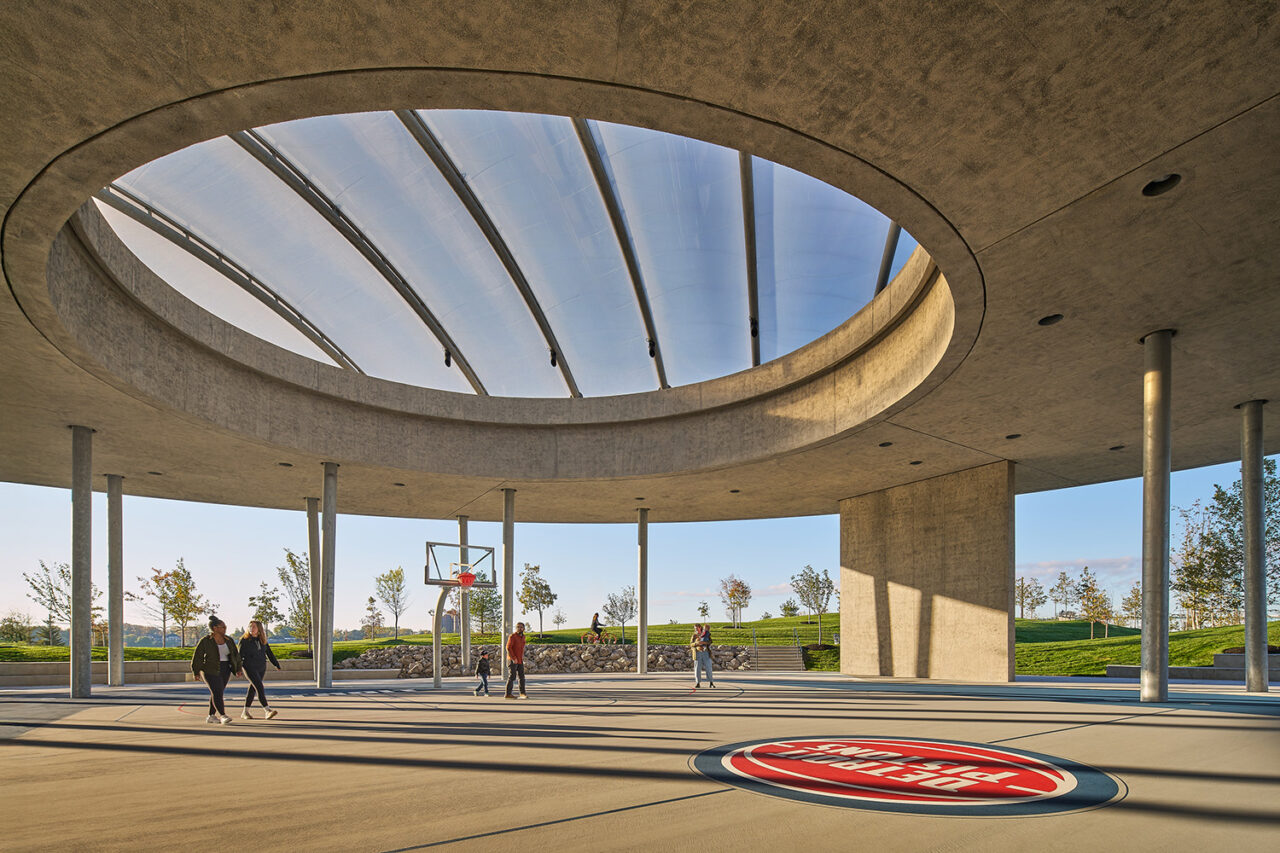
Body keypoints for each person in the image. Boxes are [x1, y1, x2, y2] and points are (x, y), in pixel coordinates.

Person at [191, 616, 243, 724]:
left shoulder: (229, 640)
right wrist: (196, 672)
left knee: (217, 693)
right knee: (217, 691)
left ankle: (211, 716)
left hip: (225, 669)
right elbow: (198, 657)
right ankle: (223, 715)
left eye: (225, 627)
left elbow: (235, 655)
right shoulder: (206, 641)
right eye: (222, 627)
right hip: (210, 669)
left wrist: (238, 668)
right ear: (215, 628)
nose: (225, 628)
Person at [238, 619, 281, 719]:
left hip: (261, 667)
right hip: (249, 667)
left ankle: (245, 712)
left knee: (253, 689)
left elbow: (269, 653)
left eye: (254, 627)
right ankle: (267, 710)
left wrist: (276, 664)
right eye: (250, 626)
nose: (251, 628)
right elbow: (239, 656)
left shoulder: (262, 640)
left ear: (259, 629)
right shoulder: (244, 640)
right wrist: (238, 668)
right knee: (259, 687)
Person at [505, 622, 527, 699]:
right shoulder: (512, 636)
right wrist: (514, 658)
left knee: (522, 677)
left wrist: (521, 658)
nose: (519, 628)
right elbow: (508, 648)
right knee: (512, 676)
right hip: (512, 660)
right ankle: (508, 694)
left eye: (521, 627)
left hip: (520, 660)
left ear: (524, 628)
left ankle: (522, 693)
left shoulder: (523, 637)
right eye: (518, 627)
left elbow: (521, 648)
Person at [691, 623, 715, 688]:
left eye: (696, 628)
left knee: (708, 667)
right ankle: (698, 683)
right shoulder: (694, 635)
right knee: (697, 668)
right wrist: (696, 643)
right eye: (695, 628)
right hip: (697, 653)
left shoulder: (706, 633)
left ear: (700, 627)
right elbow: (691, 644)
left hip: (706, 652)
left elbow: (710, 642)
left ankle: (711, 683)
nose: (695, 629)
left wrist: (705, 643)